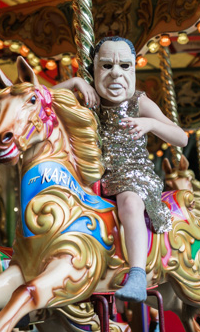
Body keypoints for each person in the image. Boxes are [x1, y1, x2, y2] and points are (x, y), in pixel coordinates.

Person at [54, 37, 188, 302]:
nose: (116, 73)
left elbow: (181, 137)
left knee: (128, 202)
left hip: (134, 176)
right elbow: (41, 99)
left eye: (125, 66)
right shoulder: (88, 100)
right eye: (106, 66)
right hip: (95, 178)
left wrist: (150, 124)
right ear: (94, 71)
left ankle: (137, 273)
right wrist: (74, 83)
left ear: (134, 71)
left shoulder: (139, 103)